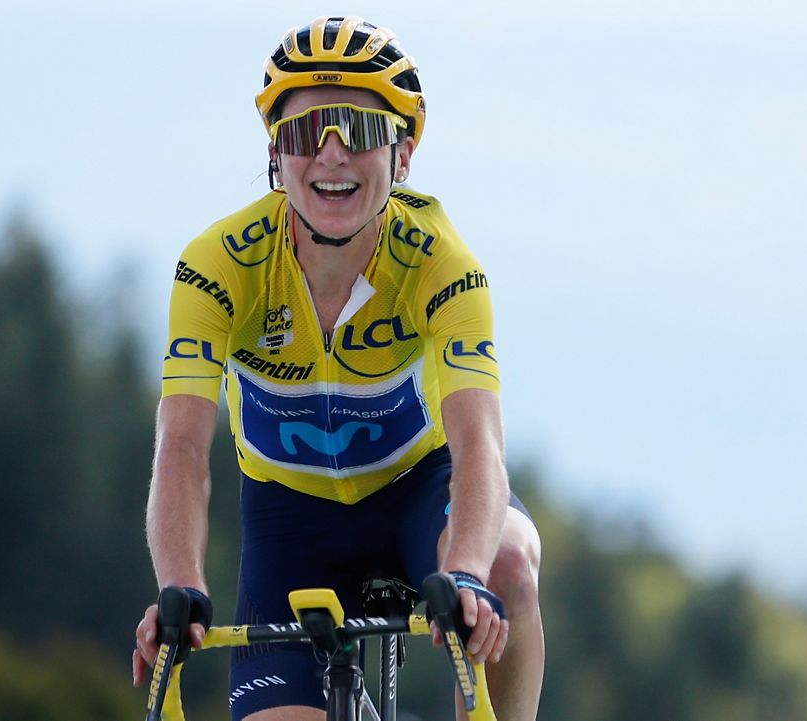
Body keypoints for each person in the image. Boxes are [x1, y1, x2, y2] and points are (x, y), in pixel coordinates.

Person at [132, 16, 544, 720]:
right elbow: (181, 447)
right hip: (290, 530)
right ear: (274, 153)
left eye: (356, 130)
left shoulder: (445, 265)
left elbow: (480, 446)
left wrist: (469, 573)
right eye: (303, 134)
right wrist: (180, 582)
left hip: (423, 495)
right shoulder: (217, 267)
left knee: (511, 561)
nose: (330, 156)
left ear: (403, 154)